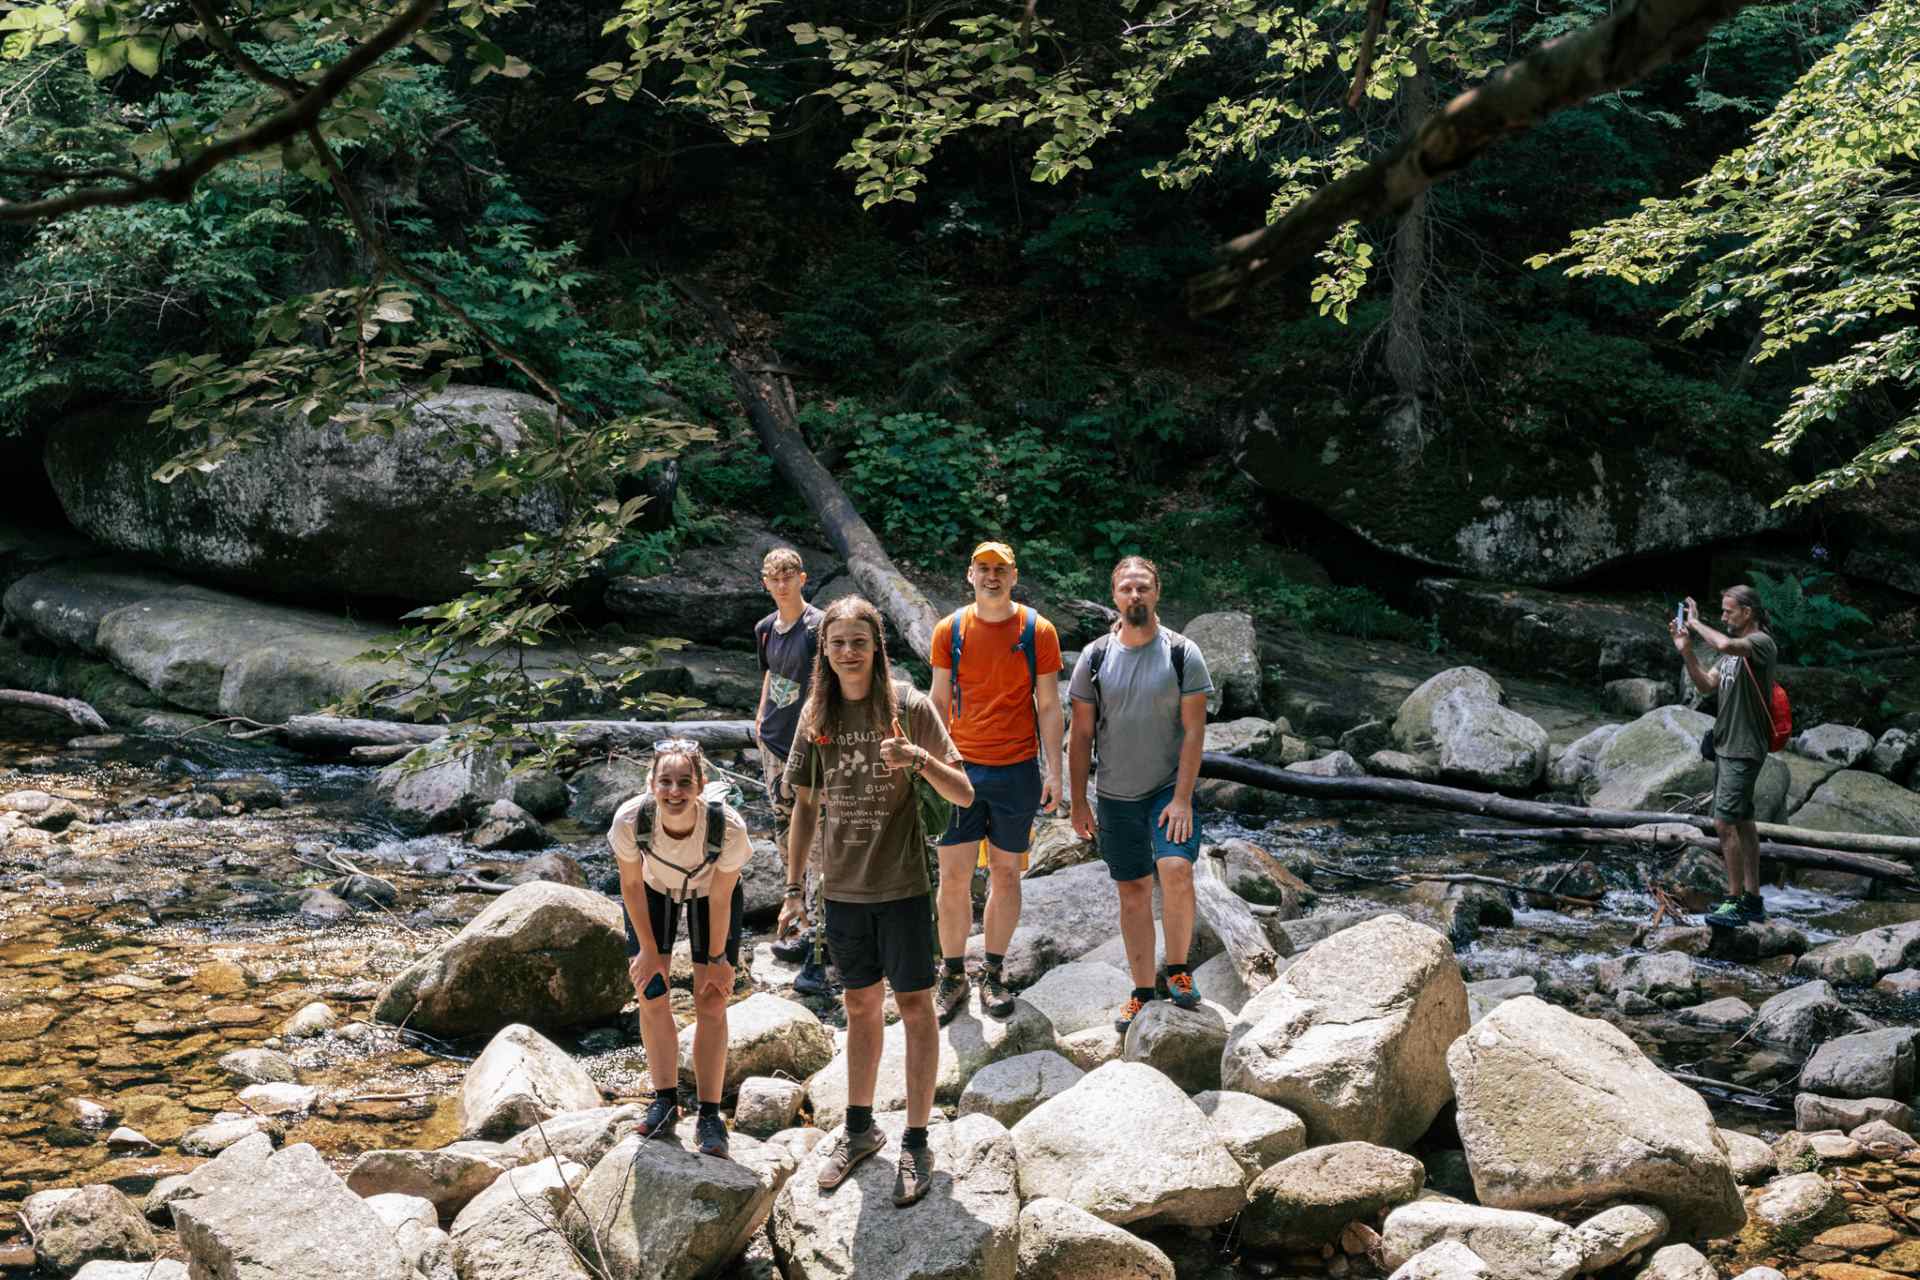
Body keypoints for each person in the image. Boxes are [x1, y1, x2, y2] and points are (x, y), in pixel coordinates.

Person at [777, 596, 974, 1207]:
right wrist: (793, 890)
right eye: (837, 642)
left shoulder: (908, 706)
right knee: (860, 1006)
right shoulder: (817, 712)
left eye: (858, 642)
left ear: (876, 647)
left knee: (915, 1006)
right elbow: (803, 806)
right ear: (825, 650)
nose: (848, 652)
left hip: (905, 886)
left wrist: (918, 758)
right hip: (842, 889)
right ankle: (860, 1129)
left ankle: (916, 1139)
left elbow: (964, 793)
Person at [1067, 555, 1214, 1033]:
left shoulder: (1182, 653)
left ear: (1157, 593)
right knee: (1132, 891)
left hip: (1168, 789)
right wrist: (1079, 801)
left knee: (1175, 869)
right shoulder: (1094, 658)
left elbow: (1194, 730)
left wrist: (1183, 798)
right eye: (1127, 588)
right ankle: (1141, 990)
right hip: (1115, 793)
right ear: (1115, 596)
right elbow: (1081, 736)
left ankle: (1179, 971)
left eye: (1143, 587)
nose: (1135, 595)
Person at [927, 541, 1065, 1022]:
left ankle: (992, 973)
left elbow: (1049, 705)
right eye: (983, 568)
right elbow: (937, 701)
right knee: (953, 877)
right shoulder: (950, 629)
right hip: (959, 769)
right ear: (970, 575)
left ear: (1013, 576)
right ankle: (951, 974)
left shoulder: (1037, 630)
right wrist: (930, 766)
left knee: (1006, 874)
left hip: (1017, 770)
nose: (991, 576)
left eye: (1000, 570)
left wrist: (1055, 771)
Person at [609, 739, 753, 1158]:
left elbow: (722, 896)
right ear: (651, 784)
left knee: (712, 999)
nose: (675, 791)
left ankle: (710, 1115)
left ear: (700, 785)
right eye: (666, 782)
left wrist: (719, 960)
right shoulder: (630, 820)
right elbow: (630, 884)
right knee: (651, 992)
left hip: (712, 895)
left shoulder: (728, 827)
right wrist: (648, 951)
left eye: (685, 782)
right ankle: (665, 1101)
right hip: (653, 890)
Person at [1672, 584, 1779, 927]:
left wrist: (1695, 622)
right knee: (1743, 821)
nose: (1723, 617)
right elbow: (1706, 684)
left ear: (1747, 612)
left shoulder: (1760, 643)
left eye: (1728, 611)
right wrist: (1686, 649)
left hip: (1744, 748)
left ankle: (1734, 902)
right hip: (1726, 746)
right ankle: (1753, 901)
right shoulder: (1731, 655)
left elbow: (1722, 643)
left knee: (1723, 822)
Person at [752, 546, 832, 995]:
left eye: (788, 577)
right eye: (774, 578)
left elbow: (829, 682)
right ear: (765, 583)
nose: (781, 585)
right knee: (785, 834)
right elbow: (771, 675)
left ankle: (822, 939)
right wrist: (760, 717)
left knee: (816, 841)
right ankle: (799, 920)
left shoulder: (818, 627)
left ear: (802, 578)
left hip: (810, 748)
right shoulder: (766, 629)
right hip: (774, 743)